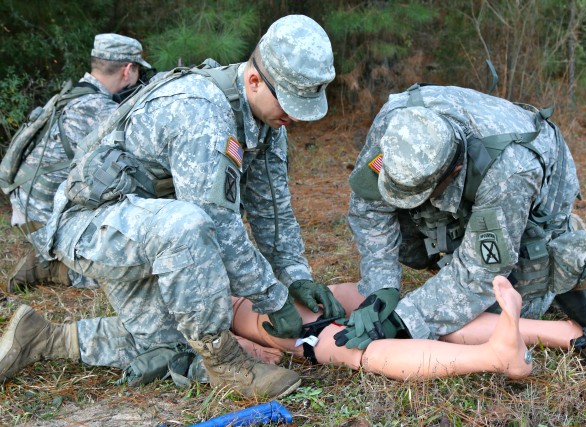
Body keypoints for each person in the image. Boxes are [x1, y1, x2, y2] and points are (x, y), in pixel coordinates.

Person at [0, 15, 344, 399]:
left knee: (166, 348)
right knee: (191, 224)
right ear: (254, 81)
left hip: (148, 228)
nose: (295, 117)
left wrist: (296, 275)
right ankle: (226, 365)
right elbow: (214, 223)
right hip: (95, 224)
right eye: (291, 103)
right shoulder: (202, 112)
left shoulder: (267, 123)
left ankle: (44, 338)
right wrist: (273, 298)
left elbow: (273, 212)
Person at [334, 84, 586, 350]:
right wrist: (381, 288)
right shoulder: (395, 125)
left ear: (454, 172)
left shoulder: (511, 174)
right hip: (477, 177)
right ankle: (466, 245)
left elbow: (482, 273)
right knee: (408, 246)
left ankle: (562, 244)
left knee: (503, 311)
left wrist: (404, 320)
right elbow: (370, 211)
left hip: (531, 178)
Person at [6, 33, 152, 292]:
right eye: (138, 70)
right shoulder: (100, 109)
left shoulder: (74, 94)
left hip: (27, 203)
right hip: (43, 217)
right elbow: (141, 163)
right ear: (128, 70)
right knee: (131, 274)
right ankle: (51, 265)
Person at [228, 276, 584, 380]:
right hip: (267, 299)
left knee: (369, 342)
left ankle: (497, 354)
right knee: (411, 319)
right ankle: (559, 330)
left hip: (256, 303)